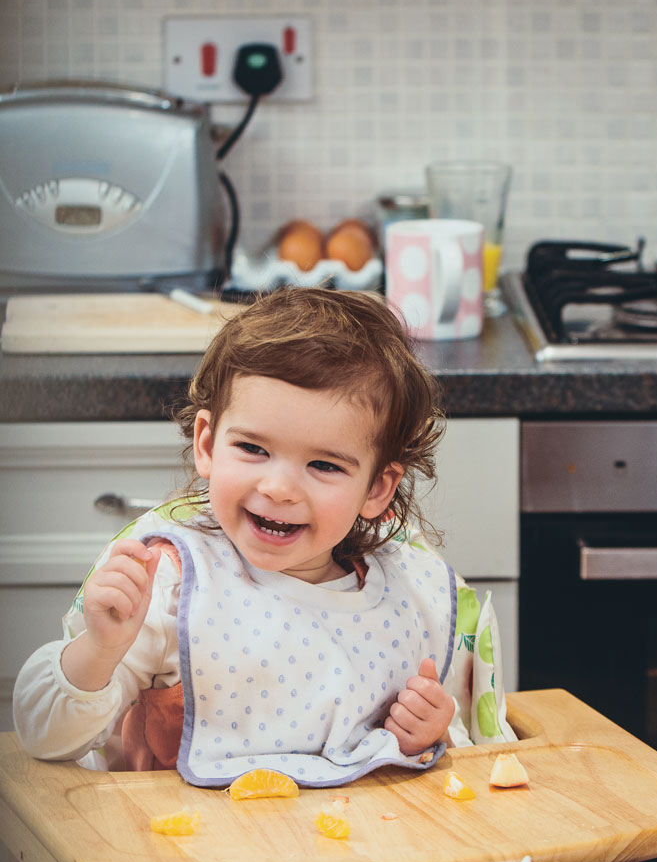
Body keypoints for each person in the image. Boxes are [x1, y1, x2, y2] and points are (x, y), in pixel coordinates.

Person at [15, 286, 514, 787]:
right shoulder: (169, 588)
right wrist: (99, 652)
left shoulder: (410, 600)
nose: (278, 488)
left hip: (353, 858)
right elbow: (44, 736)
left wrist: (425, 733)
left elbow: (439, 760)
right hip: (183, 856)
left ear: (378, 487)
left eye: (323, 465)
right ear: (207, 444)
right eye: (253, 448)